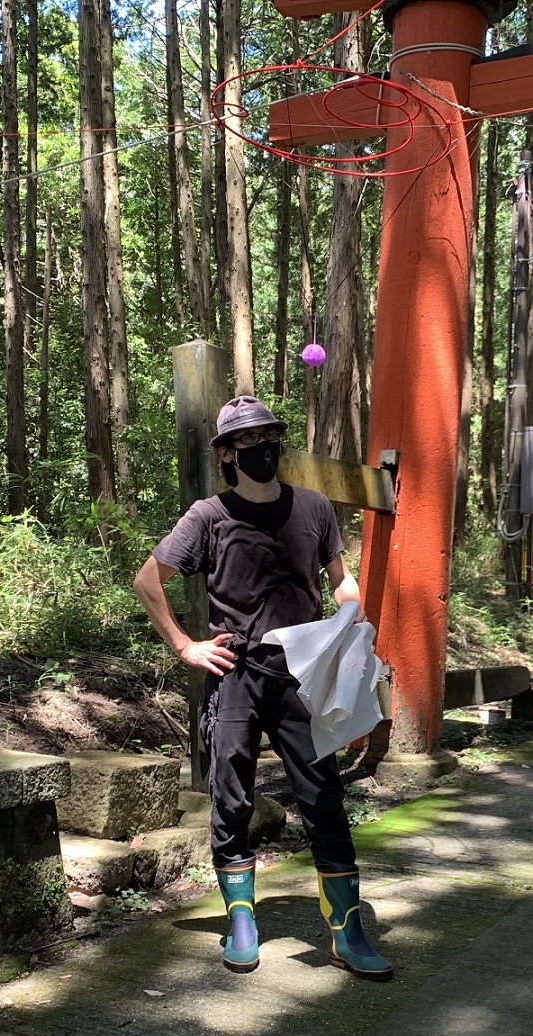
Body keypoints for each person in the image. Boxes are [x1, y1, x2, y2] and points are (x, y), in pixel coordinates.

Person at [133, 395, 391, 980]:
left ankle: (347, 931)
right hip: (237, 675)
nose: (262, 449)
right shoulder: (208, 516)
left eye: (269, 436)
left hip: (304, 675)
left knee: (323, 796)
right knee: (232, 795)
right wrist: (185, 645)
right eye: (246, 442)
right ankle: (242, 922)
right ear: (225, 453)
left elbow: (341, 581)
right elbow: (148, 580)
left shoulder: (314, 507)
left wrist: (351, 620)